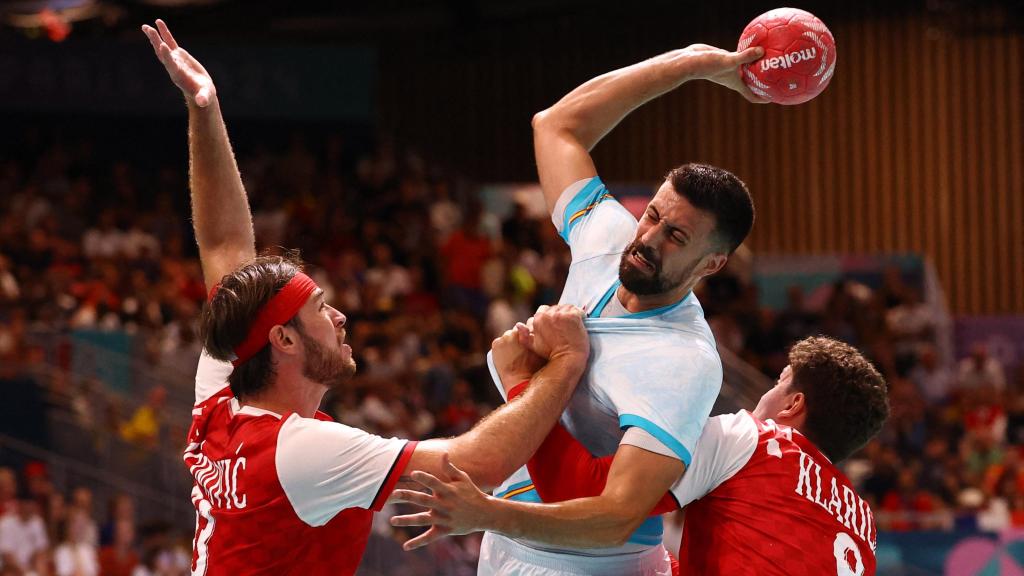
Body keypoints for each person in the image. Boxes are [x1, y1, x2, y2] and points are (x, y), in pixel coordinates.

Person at [141, 20, 590, 576]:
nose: (340, 316)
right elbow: (478, 464)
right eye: (320, 309)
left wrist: (205, 109)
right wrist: (565, 364)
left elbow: (226, 243)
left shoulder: (222, 399)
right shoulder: (299, 452)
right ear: (282, 339)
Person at [457, 41, 765, 574]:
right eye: (651, 216)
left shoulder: (684, 360)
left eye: (675, 236)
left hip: (588, 563)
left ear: (712, 264)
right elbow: (556, 126)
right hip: (509, 540)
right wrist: (690, 67)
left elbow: (615, 517)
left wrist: (524, 386)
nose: (647, 239)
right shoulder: (608, 238)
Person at [392, 337, 890, 576]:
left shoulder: (754, 439)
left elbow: (585, 493)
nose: (761, 397)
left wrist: (521, 383)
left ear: (793, 405)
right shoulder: (861, 521)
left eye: (777, 383)